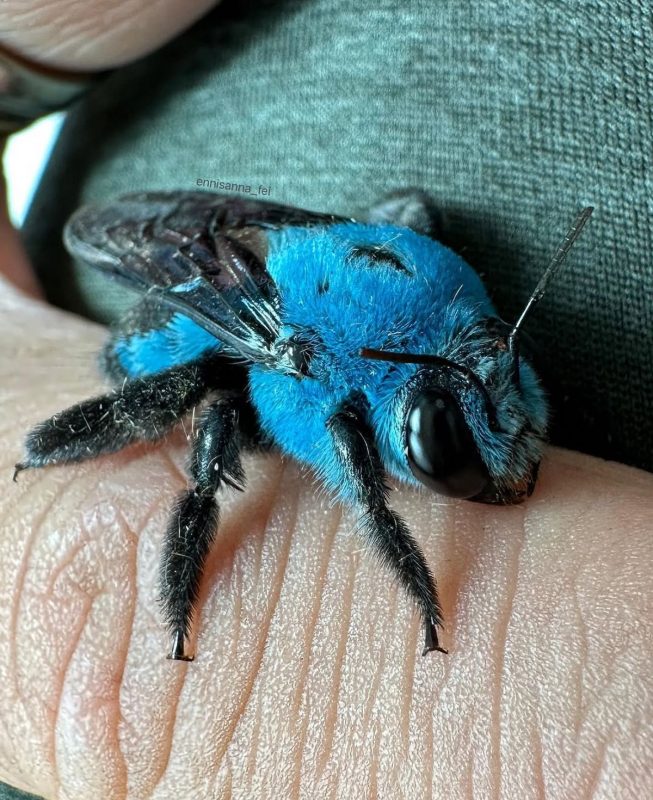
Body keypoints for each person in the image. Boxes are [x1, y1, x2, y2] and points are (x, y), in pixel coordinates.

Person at [0, 2, 651, 798]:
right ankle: (63, 465)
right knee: (208, 410)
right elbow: (368, 480)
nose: (513, 459)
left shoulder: (456, 323)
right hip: (201, 325)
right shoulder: (314, 366)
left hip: (303, 272)